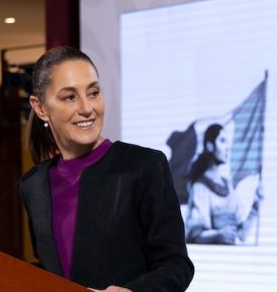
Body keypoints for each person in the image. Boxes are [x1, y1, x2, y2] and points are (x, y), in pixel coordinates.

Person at [19, 46, 194, 292]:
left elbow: (176, 265)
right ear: (40, 108)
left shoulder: (143, 166)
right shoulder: (33, 185)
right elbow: (51, 267)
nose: (87, 108)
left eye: (93, 93)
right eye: (70, 97)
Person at [184, 123, 259, 245]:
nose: (227, 147)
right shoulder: (200, 188)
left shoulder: (227, 185)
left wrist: (255, 208)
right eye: (222, 141)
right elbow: (194, 235)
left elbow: (241, 234)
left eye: (227, 142)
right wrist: (218, 235)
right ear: (210, 146)